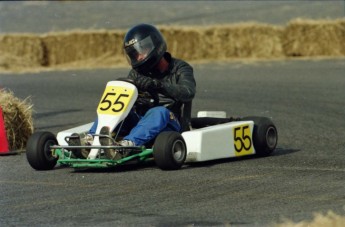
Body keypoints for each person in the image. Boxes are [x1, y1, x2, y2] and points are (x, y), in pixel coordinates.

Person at [70, 23, 196, 159]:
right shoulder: (137, 72)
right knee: (118, 110)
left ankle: (127, 145)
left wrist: (157, 85)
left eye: (141, 51)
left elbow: (188, 92)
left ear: (155, 46)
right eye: (135, 54)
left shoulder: (180, 68)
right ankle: (91, 140)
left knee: (158, 111)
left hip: (171, 123)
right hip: (143, 121)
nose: (139, 57)